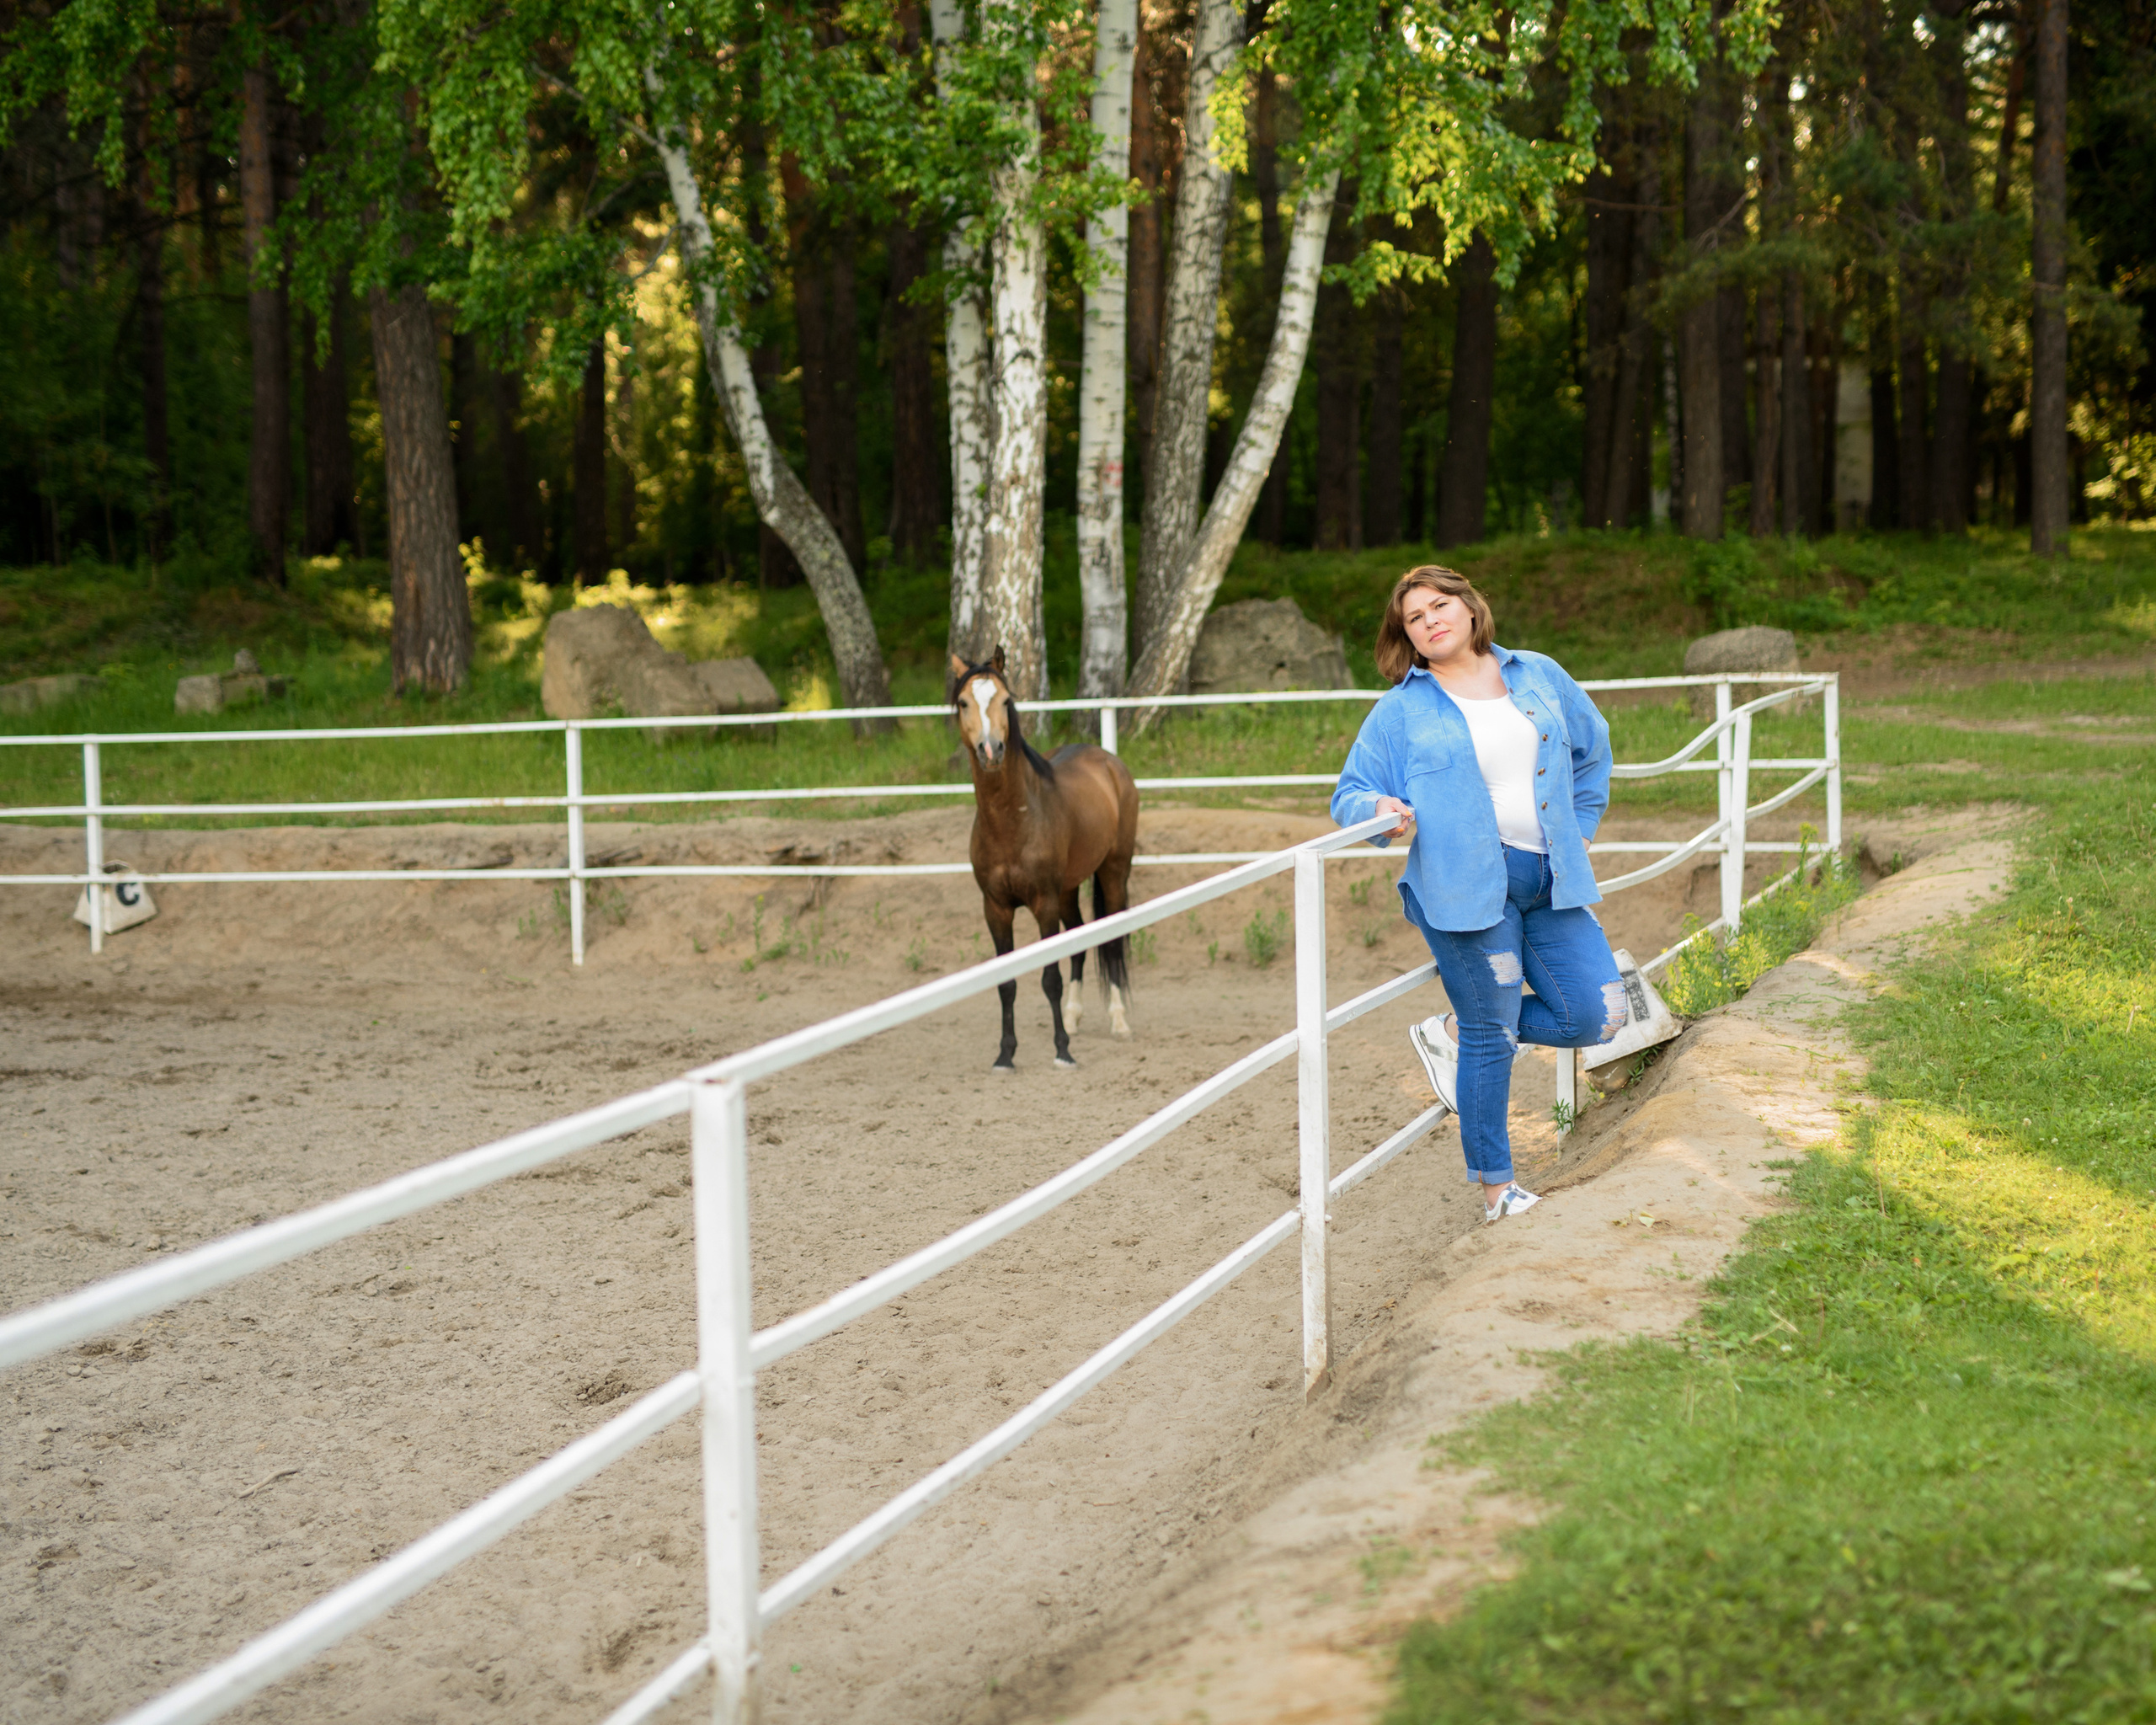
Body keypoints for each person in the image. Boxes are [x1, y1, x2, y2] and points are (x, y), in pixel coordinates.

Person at [1331, 566, 1628, 1224]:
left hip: (1552, 880)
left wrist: (1576, 832)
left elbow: (1592, 751)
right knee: (1495, 1035)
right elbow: (1347, 793)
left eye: (1441, 605)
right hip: (1463, 890)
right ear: (1405, 635)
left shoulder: (1538, 673)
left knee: (1598, 1015)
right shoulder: (1401, 709)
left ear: (1470, 609)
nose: (1432, 620)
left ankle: (1452, 1027)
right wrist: (1379, 807)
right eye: (1415, 617)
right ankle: (1499, 1192)